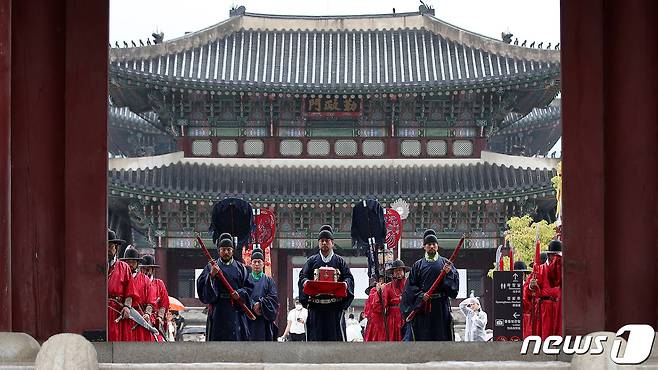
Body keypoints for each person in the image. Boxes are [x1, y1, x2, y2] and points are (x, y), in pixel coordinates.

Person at [298, 227, 355, 341]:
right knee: (315, 341)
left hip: (334, 308)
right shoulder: (311, 261)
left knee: (335, 341)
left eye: (327, 240)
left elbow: (349, 278)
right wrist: (305, 283)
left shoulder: (340, 261)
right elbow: (302, 277)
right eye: (321, 240)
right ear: (318, 243)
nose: (324, 243)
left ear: (332, 243)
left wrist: (345, 284)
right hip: (316, 307)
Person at [400, 231, 459, 341]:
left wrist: (448, 274)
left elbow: (453, 289)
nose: (431, 246)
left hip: (441, 306)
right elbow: (410, 287)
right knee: (423, 336)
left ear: (437, 246)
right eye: (428, 244)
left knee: (441, 336)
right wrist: (421, 295)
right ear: (424, 247)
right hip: (424, 307)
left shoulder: (446, 264)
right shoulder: (418, 265)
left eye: (434, 244)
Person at [196, 233, 254, 341]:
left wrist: (240, 293)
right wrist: (211, 275)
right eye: (223, 249)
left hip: (235, 311)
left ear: (233, 250)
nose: (226, 252)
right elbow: (202, 286)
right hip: (218, 310)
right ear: (219, 251)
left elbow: (249, 288)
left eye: (229, 249)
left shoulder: (241, 268)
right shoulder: (211, 267)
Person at [107, 229, 138, 342]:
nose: (107, 250)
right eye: (104, 246)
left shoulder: (123, 267)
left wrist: (127, 306)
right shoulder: (97, 265)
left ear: (116, 247)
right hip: (100, 309)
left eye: (110, 246)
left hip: (117, 309)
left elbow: (130, 292)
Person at [121, 246, 157, 342]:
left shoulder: (145, 280)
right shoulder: (120, 277)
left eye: (133, 262)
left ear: (137, 264)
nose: (130, 265)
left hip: (140, 317)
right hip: (123, 315)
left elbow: (151, 301)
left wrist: (148, 313)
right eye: (128, 262)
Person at [247, 248, 279, 341]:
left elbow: (273, 298)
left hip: (263, 318)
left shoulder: (269, 281)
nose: (257, 264)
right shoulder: (245, 279)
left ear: (263, 264)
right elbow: (242, 295)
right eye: (254, 262)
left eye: (259, 262)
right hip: (249, 318)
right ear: (251, 263)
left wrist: (260, 304)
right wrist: (252, 305)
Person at [140, 255, 170, 341]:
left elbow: (164, 304)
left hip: (154, 318)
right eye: (143, 269)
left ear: (153, 270)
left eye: (147, 269)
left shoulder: (159, 284)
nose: (145, 272)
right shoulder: (136, 282)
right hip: (139, 316)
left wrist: (160, 317)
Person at [382, 259, 410, 341]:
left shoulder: (409, 284)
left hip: (406, 315)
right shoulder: (387, 287)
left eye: (400, 270)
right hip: (392, 317)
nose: (398, 272)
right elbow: (383, 303)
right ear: (392, 273)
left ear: (404, 272)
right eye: (396, 270)